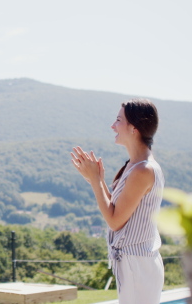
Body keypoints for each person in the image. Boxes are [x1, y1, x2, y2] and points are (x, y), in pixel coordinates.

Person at [70, 98, 164, 304]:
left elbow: (115, 220)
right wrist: (99, 181)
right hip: (135, 264)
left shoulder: (143, 170)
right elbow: (118, 208)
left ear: (134, 128)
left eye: (118, 120)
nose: (113, 126)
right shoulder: (135, 165)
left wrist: (96, 180)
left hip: (138, 266)